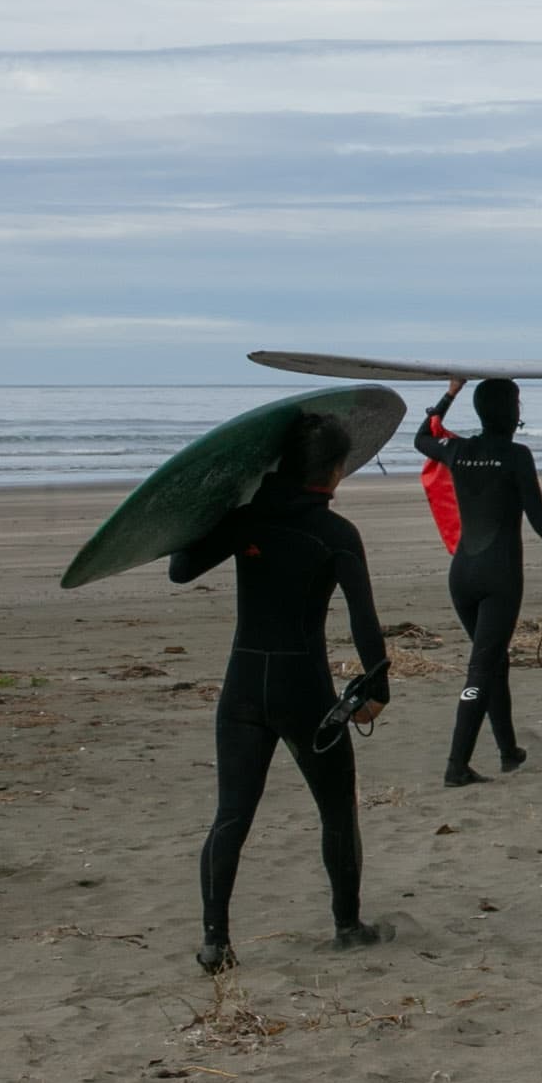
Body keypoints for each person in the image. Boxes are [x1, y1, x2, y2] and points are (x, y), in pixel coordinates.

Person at [170, 411, 391, 973]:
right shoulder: (337, 534)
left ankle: (215, 940)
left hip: (242, 686)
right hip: (304, 689)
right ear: (337, 470)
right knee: (337, 810)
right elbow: (364, 622)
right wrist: (377, 687)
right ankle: (347, 925)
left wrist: (217, 504)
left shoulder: (247, 520)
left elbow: (180, 569)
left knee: (231, 815)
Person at [415, 377, 542, 787]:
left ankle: (508, 750)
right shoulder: (517, 455)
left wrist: (450, 394)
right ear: (511, 411)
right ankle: (456, 765)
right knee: (483, 667)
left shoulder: (459, 450)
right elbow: (539, 519)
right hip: (500, 578)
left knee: (494, 661)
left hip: (461, 575)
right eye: (517, 401)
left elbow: (420, 439)